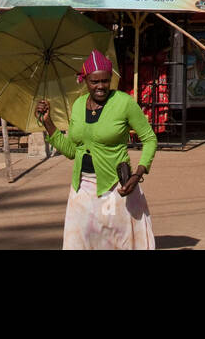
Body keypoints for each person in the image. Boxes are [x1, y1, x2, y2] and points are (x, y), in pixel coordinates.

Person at [34, 50, 156, 250]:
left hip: (116, 188)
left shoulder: (124, 103)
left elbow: (149, 139)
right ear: (85, 80)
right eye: (95, 82)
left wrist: (139, 173)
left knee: (117, 242)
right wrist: (48, 123)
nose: (101, 87)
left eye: (105, 81)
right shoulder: (79, 104)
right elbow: (72, 151)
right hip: (82, 188)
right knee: (78, 241)